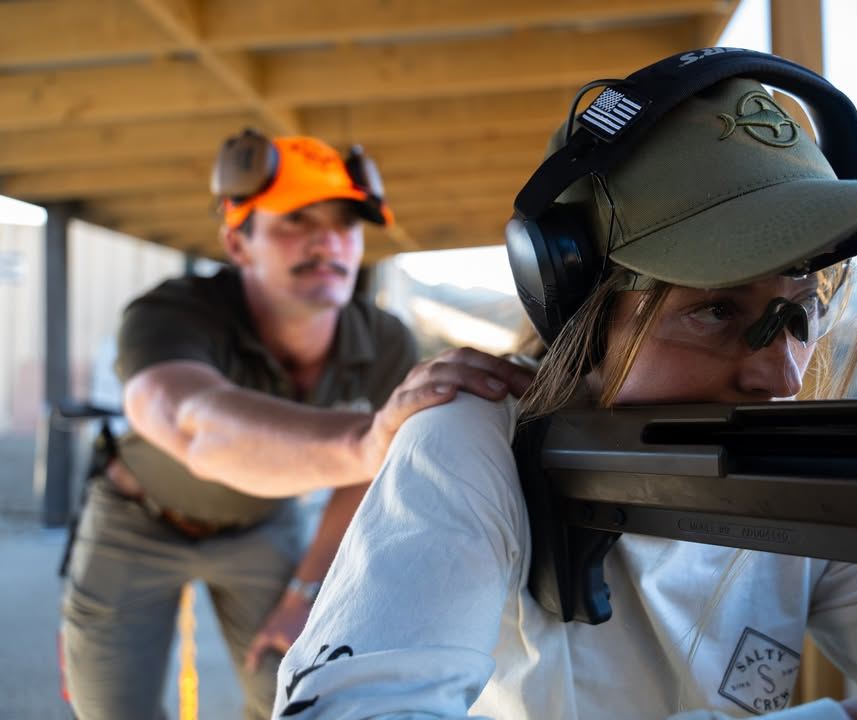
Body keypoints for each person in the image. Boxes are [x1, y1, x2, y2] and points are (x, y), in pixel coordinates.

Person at [275, 50, 857, 719]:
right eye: (717, 310)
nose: (781, 375)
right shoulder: (476, 441)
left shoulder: (798, 478)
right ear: (577, 303)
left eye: (800, 312)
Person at [60, 131, 532, 720]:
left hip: (262, 523)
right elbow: (191, 420)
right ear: (237, 242)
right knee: (110, 706)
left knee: (289, 689)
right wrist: (364, 440)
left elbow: (361, 480)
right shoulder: (175, 311)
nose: (327, 241)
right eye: (295, 220)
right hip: (138, 519)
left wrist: (305, 591)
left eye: (346, 224)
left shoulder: (383, 338)